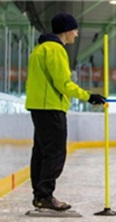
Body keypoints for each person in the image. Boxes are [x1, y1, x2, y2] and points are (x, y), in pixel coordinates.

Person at [25, 13, 106, 211]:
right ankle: (45, 195)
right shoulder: (55, 50)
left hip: (39, 106)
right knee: (55, 153)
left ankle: (40, 195)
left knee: (41, 153)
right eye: (75, 30)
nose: (76, 34)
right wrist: (88, 96)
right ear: (67, 30)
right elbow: (63, 83)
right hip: (51, 106)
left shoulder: (40, 49)